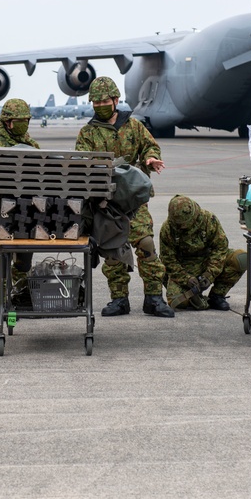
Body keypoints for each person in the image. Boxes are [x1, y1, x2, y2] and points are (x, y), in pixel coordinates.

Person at [75, 76, 174, 318]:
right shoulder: (88, 133)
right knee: (112, 251)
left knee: (147, 246)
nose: (99, 106)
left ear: (116, 100)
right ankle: (119, 299)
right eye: (95, 103)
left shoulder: (134, 126)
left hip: (133, 200)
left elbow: (150, 146)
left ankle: (153, 298)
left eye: (104, 101)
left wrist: (150, 158)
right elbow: (80, 162)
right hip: (106, 203)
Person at [0, 99, 41, 320]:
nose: (23, 124)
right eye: (19, 121)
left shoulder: (33, 146)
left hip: (29, 213)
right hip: (2, 212)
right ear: (7, 123)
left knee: (24, 261)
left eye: (26, 121)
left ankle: (19, 297)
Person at [159, 195, 246, 311]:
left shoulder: (209, 220)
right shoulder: (168, 229)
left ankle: (217, 295)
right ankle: (194, 297)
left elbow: (220, 248)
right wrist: (186, 279)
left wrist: (210, 274)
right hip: (185, 267)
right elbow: (167, 260)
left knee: (241, 258)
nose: (181, 227)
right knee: (179, 301)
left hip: (208, 260)